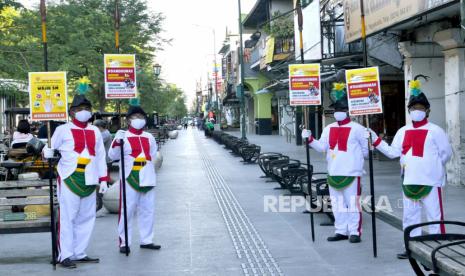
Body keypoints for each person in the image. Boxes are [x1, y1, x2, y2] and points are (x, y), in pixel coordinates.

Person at [368, 77, 452, 259]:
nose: (417, 111)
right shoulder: (402, 131)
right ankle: (410, 247)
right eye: (414, 108)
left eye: (420, 108)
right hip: (409, 181)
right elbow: (392, 152)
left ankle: (437, 250)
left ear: (427, 110)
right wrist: (376, 140)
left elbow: (446, 154)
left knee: (434, 217)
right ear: (409, 111)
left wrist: (433, 169)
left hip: (431, 181)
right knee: (410, 218)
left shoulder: (436, 130)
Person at [42, 78, 108, 269]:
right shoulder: (62, 129)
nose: (83, 112)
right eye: (79, 109)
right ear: (71, 112)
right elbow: (50, 150)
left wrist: (103, 178)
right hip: (70, 177)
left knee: (87, 217)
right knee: (68, 217)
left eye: (86, 108)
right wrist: (47, 152)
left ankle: (80, 251)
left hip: (90, 178)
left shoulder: (95, 130)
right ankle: (65, 254)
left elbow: (100, 156)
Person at [302, 82, 368, 243]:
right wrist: (309, 138)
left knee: (352, 204)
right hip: (333, 171)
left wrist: (356, 162)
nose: (338, 112)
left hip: (351, 173)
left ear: (348, 111)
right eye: (336, 110)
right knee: (337, 205)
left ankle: (354, 232)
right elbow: (321, 147)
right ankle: (341, 230)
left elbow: (366, 151)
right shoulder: (329, 128)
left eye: (341, 110)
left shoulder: (358, 128)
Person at [108, 99, 160, 254]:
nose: (138, 119)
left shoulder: (149, 137)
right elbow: (112, 156)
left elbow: (152, 154)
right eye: (135, 116)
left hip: (148, 176)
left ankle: (147, 239)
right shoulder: (122, 136)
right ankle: (124, 242)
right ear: (128, 119)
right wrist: (117, 141)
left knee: (148, 209)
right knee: (127, 210)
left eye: (141, 116)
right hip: (130, 177)